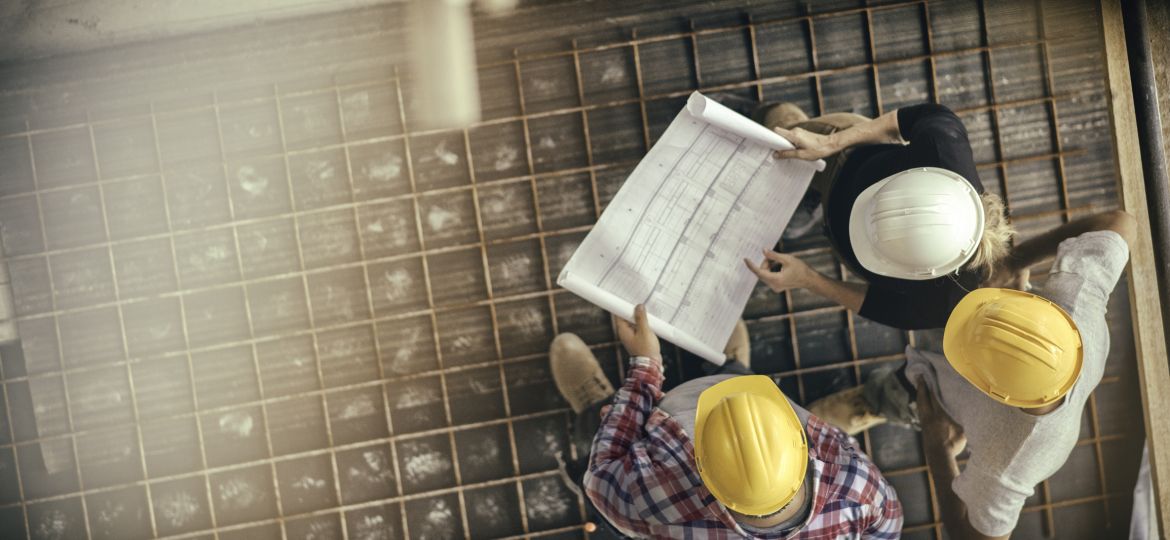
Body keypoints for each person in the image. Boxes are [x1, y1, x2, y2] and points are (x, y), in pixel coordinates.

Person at [813, 209, 1137, 539]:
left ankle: (875, 401)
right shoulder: (1077, 303)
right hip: (989, 330)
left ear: (988, 388)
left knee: (908, 395)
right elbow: (1119, 222)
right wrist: (1015, 261)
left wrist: (938, 449)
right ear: (1048, 312)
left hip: (940, 399)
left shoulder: (1008, 461)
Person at [551, 305, 902, 538]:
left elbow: (601, 477)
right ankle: (733, 369)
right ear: (804, 448)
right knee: (743, 384)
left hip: (661, 412)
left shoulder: (661, 498)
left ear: (700, 464)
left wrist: (645, 367)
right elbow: (887, 527)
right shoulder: (856, 485)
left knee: (601, 427)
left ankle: (598, 405)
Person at [739, 101, 1021, 331]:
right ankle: (769, 112)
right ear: (919, 174)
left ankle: (811, 202)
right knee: (782, 131)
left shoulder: (945, 302)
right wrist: (830, 142)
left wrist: (807, 278)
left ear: (922, 272)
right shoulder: (943, 146)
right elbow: (901, 121)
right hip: (846, 155)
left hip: (838, 226)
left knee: (793, 194)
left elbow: (878, 305)